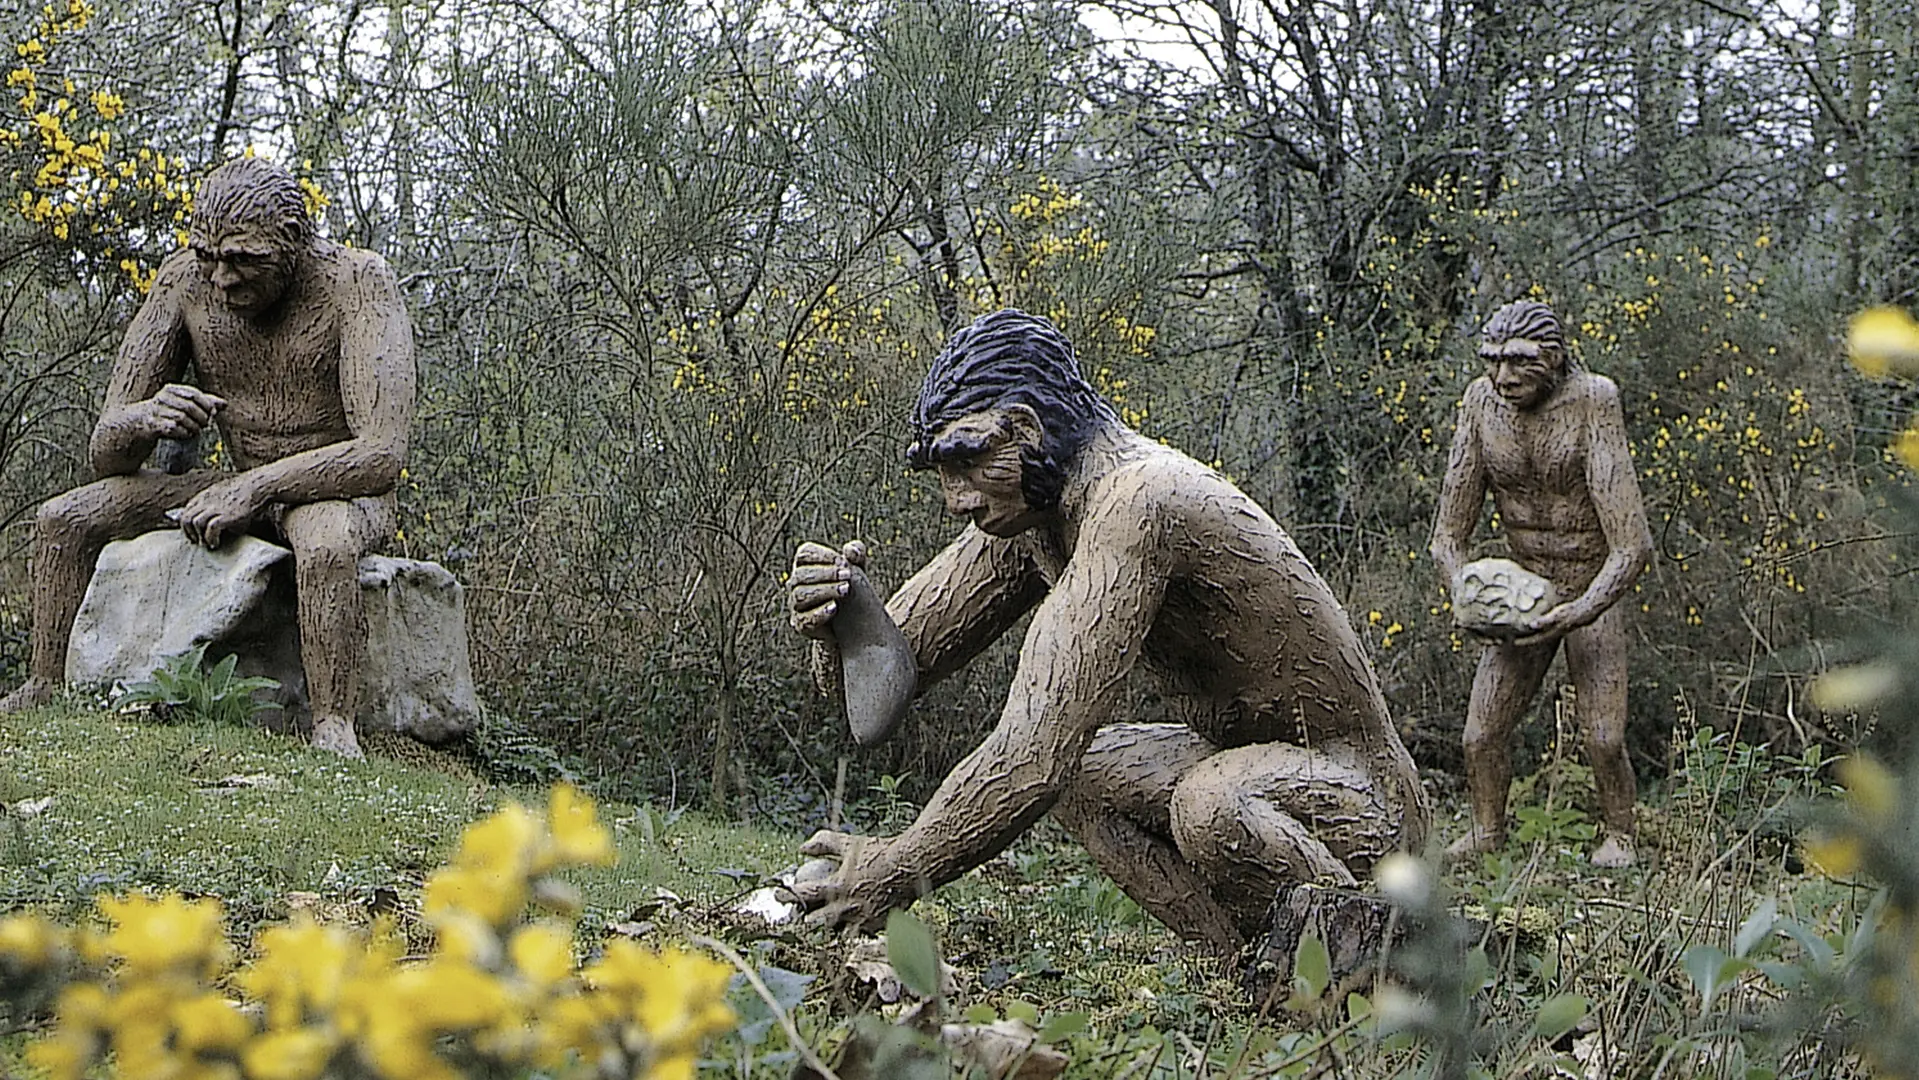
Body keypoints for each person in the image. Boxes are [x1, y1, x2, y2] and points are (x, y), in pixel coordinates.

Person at [786, 309, 1430, 956]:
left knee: (1210, 806)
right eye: (943, 473)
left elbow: (1033, 754)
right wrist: (842, 617)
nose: (957, 499)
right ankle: (1237, 967)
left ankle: (1375, 968)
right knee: (1092, 777)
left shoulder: (1137, 502)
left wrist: (894, 870)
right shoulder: (1028, 511)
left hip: (1360, 799)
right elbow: (881, 687)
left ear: (1025, 430)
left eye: (969, 462)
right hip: (1250, 774)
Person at [0, 156, 416, 759]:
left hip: (333, 490)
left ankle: (333, 725)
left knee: (326, 546)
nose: (222, 279)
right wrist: (146, 418)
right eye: (209, 257)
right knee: (63, 519)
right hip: (236, 483)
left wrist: (258, 488)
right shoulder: (183, 283)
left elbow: (381, 453)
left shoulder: (357, 283)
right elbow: (105, 451)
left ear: (294, 242)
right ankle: (44, 685)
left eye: (243, 260)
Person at [1428, 299, 1653, 867]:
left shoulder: (1594, 400)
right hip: (1522, 592)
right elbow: (1446, 538)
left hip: (1590, 583)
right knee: (1480, 736)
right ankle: (1487, 831)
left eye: (1517, 361)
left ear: (1551, 358)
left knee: (1604, 738)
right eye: (1491, 361)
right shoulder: (1480, 403)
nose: (1502, 376)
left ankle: (1620, 835)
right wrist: (1469, 595)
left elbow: (1632, 547)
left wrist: (1581, 609)